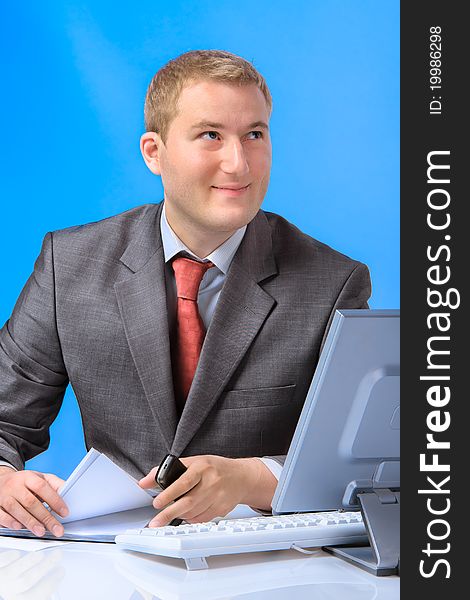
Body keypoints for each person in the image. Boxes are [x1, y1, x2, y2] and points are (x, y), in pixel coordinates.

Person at [0, 50, 371, 537]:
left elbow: (357, 462)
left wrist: (249, 479)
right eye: (210, 135)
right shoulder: (68, 264)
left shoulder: (331, 282)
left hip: (263, 562)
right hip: (107, 557)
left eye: (254, 135)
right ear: (153, 152)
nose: (238, 163)